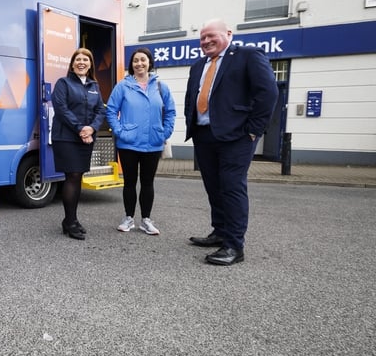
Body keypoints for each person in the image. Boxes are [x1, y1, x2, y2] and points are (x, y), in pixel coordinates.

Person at [184, 19, 278, 265]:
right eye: (202, 38)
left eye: (210, 36)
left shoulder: (247, 56)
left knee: (232, 188)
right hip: (204, 135)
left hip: (236, 137)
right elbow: (191, 97)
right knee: (213, 187)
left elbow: (268, 93)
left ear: (228, 34)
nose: (205, 41)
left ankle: (234, 246)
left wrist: (254, 130)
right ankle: (220, 232)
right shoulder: (198, 66)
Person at [106, 47, 176, 235]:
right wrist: (120, 132)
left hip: (153, 141)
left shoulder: (161, 86)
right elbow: (111, 110)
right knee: (129, 182)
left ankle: (146, 220)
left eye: (143, 60)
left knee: (148, 183)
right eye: (135, 61)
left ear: (150, 63)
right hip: (128, 143)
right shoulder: (123, 86)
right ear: (132, 65)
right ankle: (129, 218)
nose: (139, 63)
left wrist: (165, 132)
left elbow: (170, 112)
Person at [51, 48, 106, 240]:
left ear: (90, 64)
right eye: (78, 59)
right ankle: (70, 221)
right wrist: (81, 129)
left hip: (86, 137)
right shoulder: (63, 83)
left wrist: (91, 128)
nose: (81, 62)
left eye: (85, 59)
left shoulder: (94, 86)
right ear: (72, 64)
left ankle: (70, 220)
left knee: (78, 176)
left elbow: (101, 110)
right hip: (66, 137)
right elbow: (61, 109)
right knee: (72, 175)